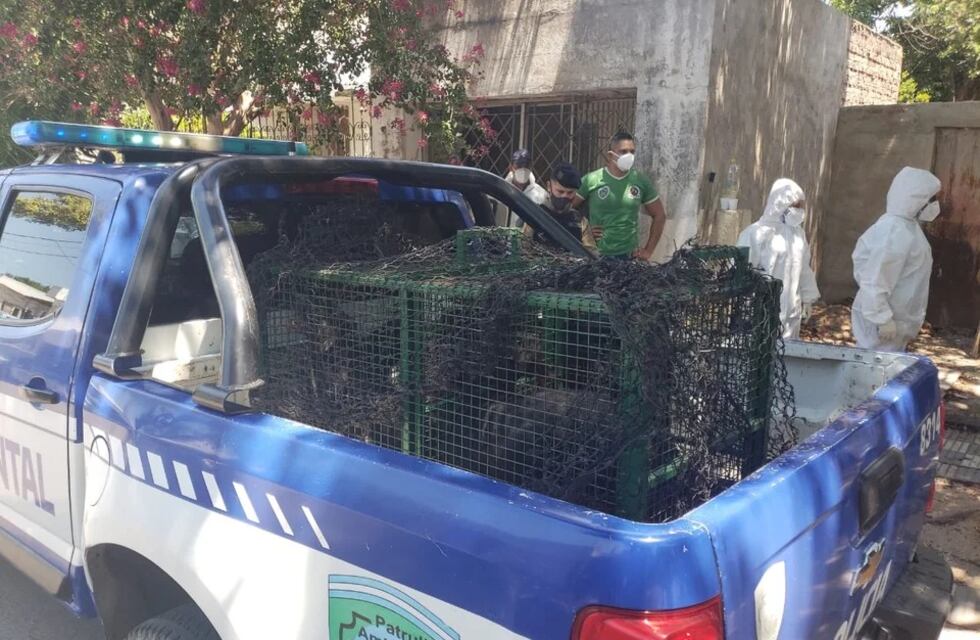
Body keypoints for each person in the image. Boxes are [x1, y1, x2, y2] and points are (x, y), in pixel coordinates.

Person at [851, 166, 942, 351]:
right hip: (883, 323)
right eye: (931, 199)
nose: (935, 204)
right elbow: (875, 278)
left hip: (893, 322)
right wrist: (881, 317)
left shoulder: (907, 227)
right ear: (916, 200)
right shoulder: (894, 231)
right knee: (872, 372)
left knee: (883, 371)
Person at [736, 178, 820, 340]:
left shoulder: (798, 234)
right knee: (760, 354)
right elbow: (743, 272)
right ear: (781, 203)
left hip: (791, 311)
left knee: (786, 357)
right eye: (795, 206)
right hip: (760, 310)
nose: (800, 210)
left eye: (801, 206)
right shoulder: (755, 233)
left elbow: (803, 268)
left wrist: (808, 298)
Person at [572, 132, 666, 260]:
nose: (629, 156)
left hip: (629, 257)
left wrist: (648, 251)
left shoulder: (639, 180)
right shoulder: (591, 180)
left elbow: (659, 215)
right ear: (611, 155)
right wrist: (584, 231)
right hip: (596, 255)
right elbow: (567, 208)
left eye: (632, 152)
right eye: (623, 151)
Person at [522, 163, 596, 251]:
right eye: (560, 191)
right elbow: (523, 248)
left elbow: (591, 253)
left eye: (570, 193)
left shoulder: (580, 222)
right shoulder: (536, 216)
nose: (564, 196)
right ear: (549, 186)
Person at [500, 149, 537, 227]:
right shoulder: (500, 191)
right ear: (510, 167)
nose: (522, 171)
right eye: (518, 167)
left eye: (526, 167)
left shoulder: (538, 196)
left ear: (531, 168)